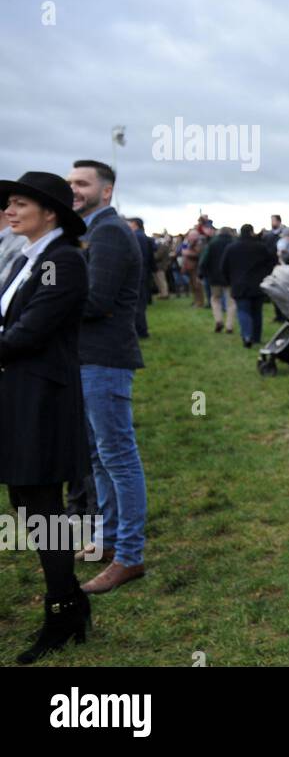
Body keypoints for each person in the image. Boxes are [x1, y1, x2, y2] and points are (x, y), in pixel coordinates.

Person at [0, 172, 93, 663]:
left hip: (42, 400)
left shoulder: (63, 262)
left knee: (41, 508)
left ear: (50, 212)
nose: (9, 211)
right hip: (21, 395)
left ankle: (61, 609)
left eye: (18, 203)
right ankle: (70, 601)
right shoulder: (30, 257)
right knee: (30, 506)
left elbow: (28, 333)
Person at [66, 159, 150, 596]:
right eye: (70, 183)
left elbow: (97, 301)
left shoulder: (111, 232)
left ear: (107, 191)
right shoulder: (91, 231)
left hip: (105, 360)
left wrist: (47, 306)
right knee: (99, 457)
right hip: (88, 358)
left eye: (82, 183)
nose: (73, 190)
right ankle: (106, 540)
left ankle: (129, 557)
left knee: (118, 457)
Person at [220, 224, 276, 347]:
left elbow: (224, 266)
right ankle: (256, 337)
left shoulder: (231, 248)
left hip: (239, 284)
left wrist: (230, 279)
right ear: (252, 232)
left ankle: (246, 335)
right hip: (258, 284)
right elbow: (271, 262)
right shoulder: (260, 247)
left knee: (243, 310)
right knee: (257, 312)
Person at [200, 226, 237, 334]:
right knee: (231, 301)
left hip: (214, 277)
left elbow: (204, 259)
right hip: (230, 277)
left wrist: (202, 273)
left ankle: (218, 320)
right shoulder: (234, 243)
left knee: (215, 299)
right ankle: (229, 326)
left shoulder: (212, 244)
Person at [126, 218, 155, 339]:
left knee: (138, 303)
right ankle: (141, 329)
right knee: (140, 302)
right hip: (145, 271)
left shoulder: (136, 236)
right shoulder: (143, 236)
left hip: (140, 272)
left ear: (135, 224)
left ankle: (141, 330)